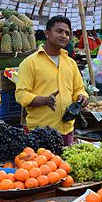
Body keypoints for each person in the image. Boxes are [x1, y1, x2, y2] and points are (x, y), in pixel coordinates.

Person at [15, 16, 88, 146]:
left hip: (67, 131)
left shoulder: (70, 63)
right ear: (47, 33)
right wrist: (44, 100)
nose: (64, 36)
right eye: (59, 31)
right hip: (40, 133)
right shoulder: (30, 63)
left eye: (67, 33)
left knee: (64, 166)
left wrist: (82, 97)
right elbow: (21, 94)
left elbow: (78, 88)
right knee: (43, 166)